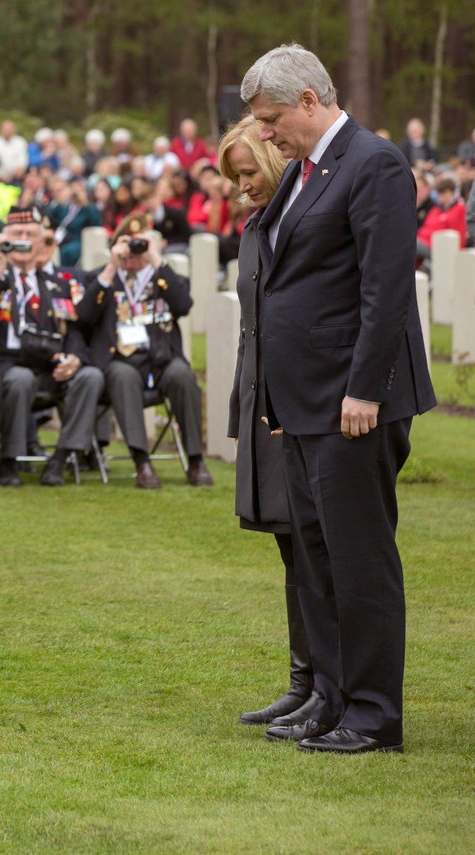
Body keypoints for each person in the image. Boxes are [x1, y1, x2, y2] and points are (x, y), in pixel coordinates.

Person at [243, 43, 435, 753]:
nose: (264, 133)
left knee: (359, 560)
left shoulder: (373, 163)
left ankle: (374, 713)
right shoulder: (306, 170)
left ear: (309, 100)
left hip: (351, 402)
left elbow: (385, 289)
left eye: (271, 118)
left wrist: (364, 389)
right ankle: (329, 696)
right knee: (317, 559)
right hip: (303, 400)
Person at [219, 115, 313, 727]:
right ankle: (304, 682)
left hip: (298, 403)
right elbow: (251, 327)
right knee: (289, 542)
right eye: (235, 178)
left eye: (248, 172)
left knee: (312, 546)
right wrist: (241, 405)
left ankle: (326, 684)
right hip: (262, 402)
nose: (242, 186)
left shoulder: (301, 223)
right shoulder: (256, 227)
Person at [0, 206, 105, 486]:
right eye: (16, 234)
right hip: (4, 363)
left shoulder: (57, 285)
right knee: (21, 379)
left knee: (90, 376)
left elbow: (72, 329)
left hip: (48, 365)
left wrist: (75, 358)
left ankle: (61, 457)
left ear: (42, 243)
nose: (23, 240)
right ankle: (10, 461)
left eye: (30, 235)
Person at [79, 214, 213, 489]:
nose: (133, 252)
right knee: (123, 377)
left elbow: (184, 305)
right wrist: (112, 266)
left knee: (183, 376)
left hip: (161, 359)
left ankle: (196, 460)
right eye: (127, 243)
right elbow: (84, 316)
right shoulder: (101, 278)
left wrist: (155, 259)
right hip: (120, 360)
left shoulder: (163, 276)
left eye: (139, 244)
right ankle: (142, 462)